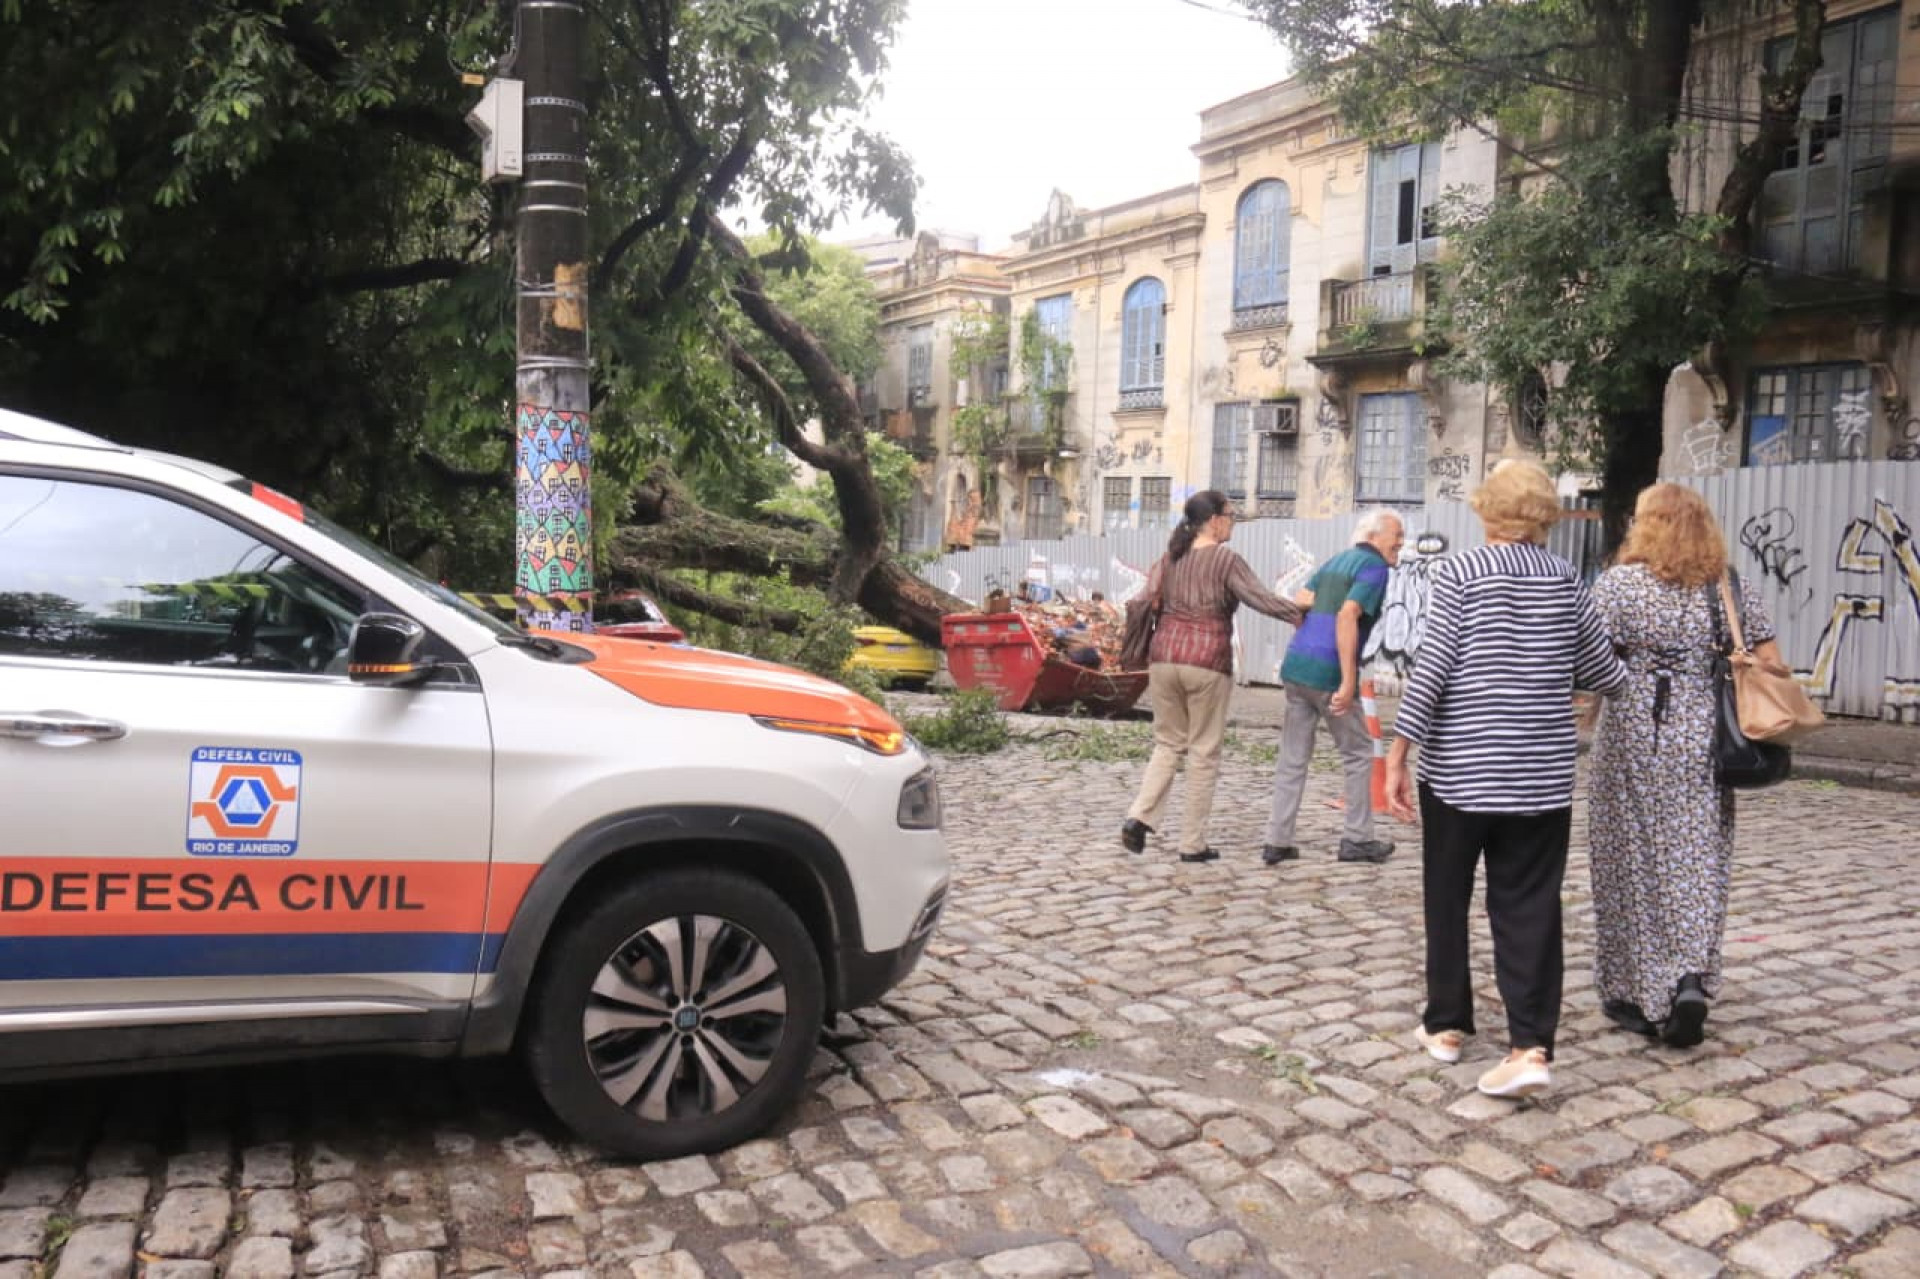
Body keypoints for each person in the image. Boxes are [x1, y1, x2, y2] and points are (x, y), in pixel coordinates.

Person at [1384, 460, 1627, 1098]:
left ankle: (1446, 1026)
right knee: (1530, 906)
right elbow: (1601, 671)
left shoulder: (1460, 572)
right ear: (1543, 513)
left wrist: (1397, 749)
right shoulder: (1567, 579)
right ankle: (1530, 1046)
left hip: (1461, 771)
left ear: (1486, 509)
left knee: (1447, 892)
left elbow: (1432, 666)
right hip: (1540, 776)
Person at [1587, 483, 1785, 1049]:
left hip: (1631, 737)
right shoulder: (1727, 585)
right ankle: (1690, 977)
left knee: (1629, 859)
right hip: (1703, 741)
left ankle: (1634, 991)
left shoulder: (1622, 585)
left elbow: (1593, 661)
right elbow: (1771, 662)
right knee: (1697, 860)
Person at [1122, 491, 1303, 863]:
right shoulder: (1225, 559)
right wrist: (1301, 611)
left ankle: (1139, 817)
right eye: (1231, 516)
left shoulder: (1170, 558)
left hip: (1163, 658)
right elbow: (1259, 598)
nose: (1233, 522)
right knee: (1203, 751)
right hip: (1205, 659)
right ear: (1214, 521)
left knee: (1168, 743)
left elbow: (1143, 600)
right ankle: (1192, 844)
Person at [1261, 508, 1404, 866]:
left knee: (1293, 758)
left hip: (1297, 669)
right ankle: (1357, 839)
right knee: (1358, 754)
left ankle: (1277, 841)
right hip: (1328, 674)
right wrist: (1348, 679)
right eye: (1396, 535)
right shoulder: (1374, 568)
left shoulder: (1336, 561)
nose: (1401, 542)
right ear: (1373, 537)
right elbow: (1348, 615)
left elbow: (1302, 600)